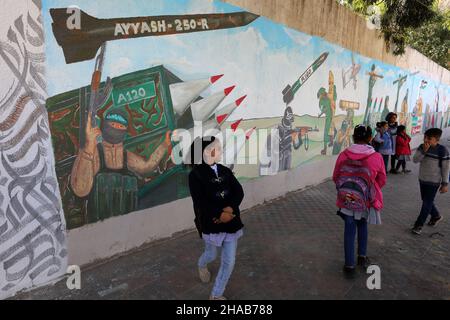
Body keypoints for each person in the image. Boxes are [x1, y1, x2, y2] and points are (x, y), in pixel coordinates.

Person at [70, 109, 172, 222]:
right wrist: (89, 147)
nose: (116, 128)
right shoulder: (91, 153)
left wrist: (164, 145)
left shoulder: (126, 155)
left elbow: (146, 166)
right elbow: (80, 189)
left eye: (120, 126)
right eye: (113, 124)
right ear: (104, 126)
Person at [187, 136, 245, 300]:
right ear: (207, 151)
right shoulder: (195, 175)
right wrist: (220, 215)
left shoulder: (225, 170)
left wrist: (230, 209)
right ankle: (201, 264)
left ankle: (216, 295)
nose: (221, 151)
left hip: (231, 222)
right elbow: (200, 201)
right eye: (218, 148)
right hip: (211, 223)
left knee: (229, 261)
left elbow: (238, 191)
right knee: (211, 255)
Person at [333, 125, 386, 277]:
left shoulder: (343, 155)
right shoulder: (376, 157)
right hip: (365, 200)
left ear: (353, 137)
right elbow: (381, 180)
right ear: (370, 138)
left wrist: (347, 191)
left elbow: (336, 176)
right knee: (363, 226)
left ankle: (349, 266)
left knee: (349, 230)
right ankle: (361, 257)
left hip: (347, 199)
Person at [411, 128, 449, 235]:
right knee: (426, 200)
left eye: (429, 138)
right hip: (422, 179)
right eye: (425, 137)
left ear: (437, 139)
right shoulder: (422, 147)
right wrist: (424, 151)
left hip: (434, 182)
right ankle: (436, 215)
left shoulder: (442, 150)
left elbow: (446, 168)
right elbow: (415, 160)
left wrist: (445, 184)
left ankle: (419, 225)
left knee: (426, 203)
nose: (426, 140)